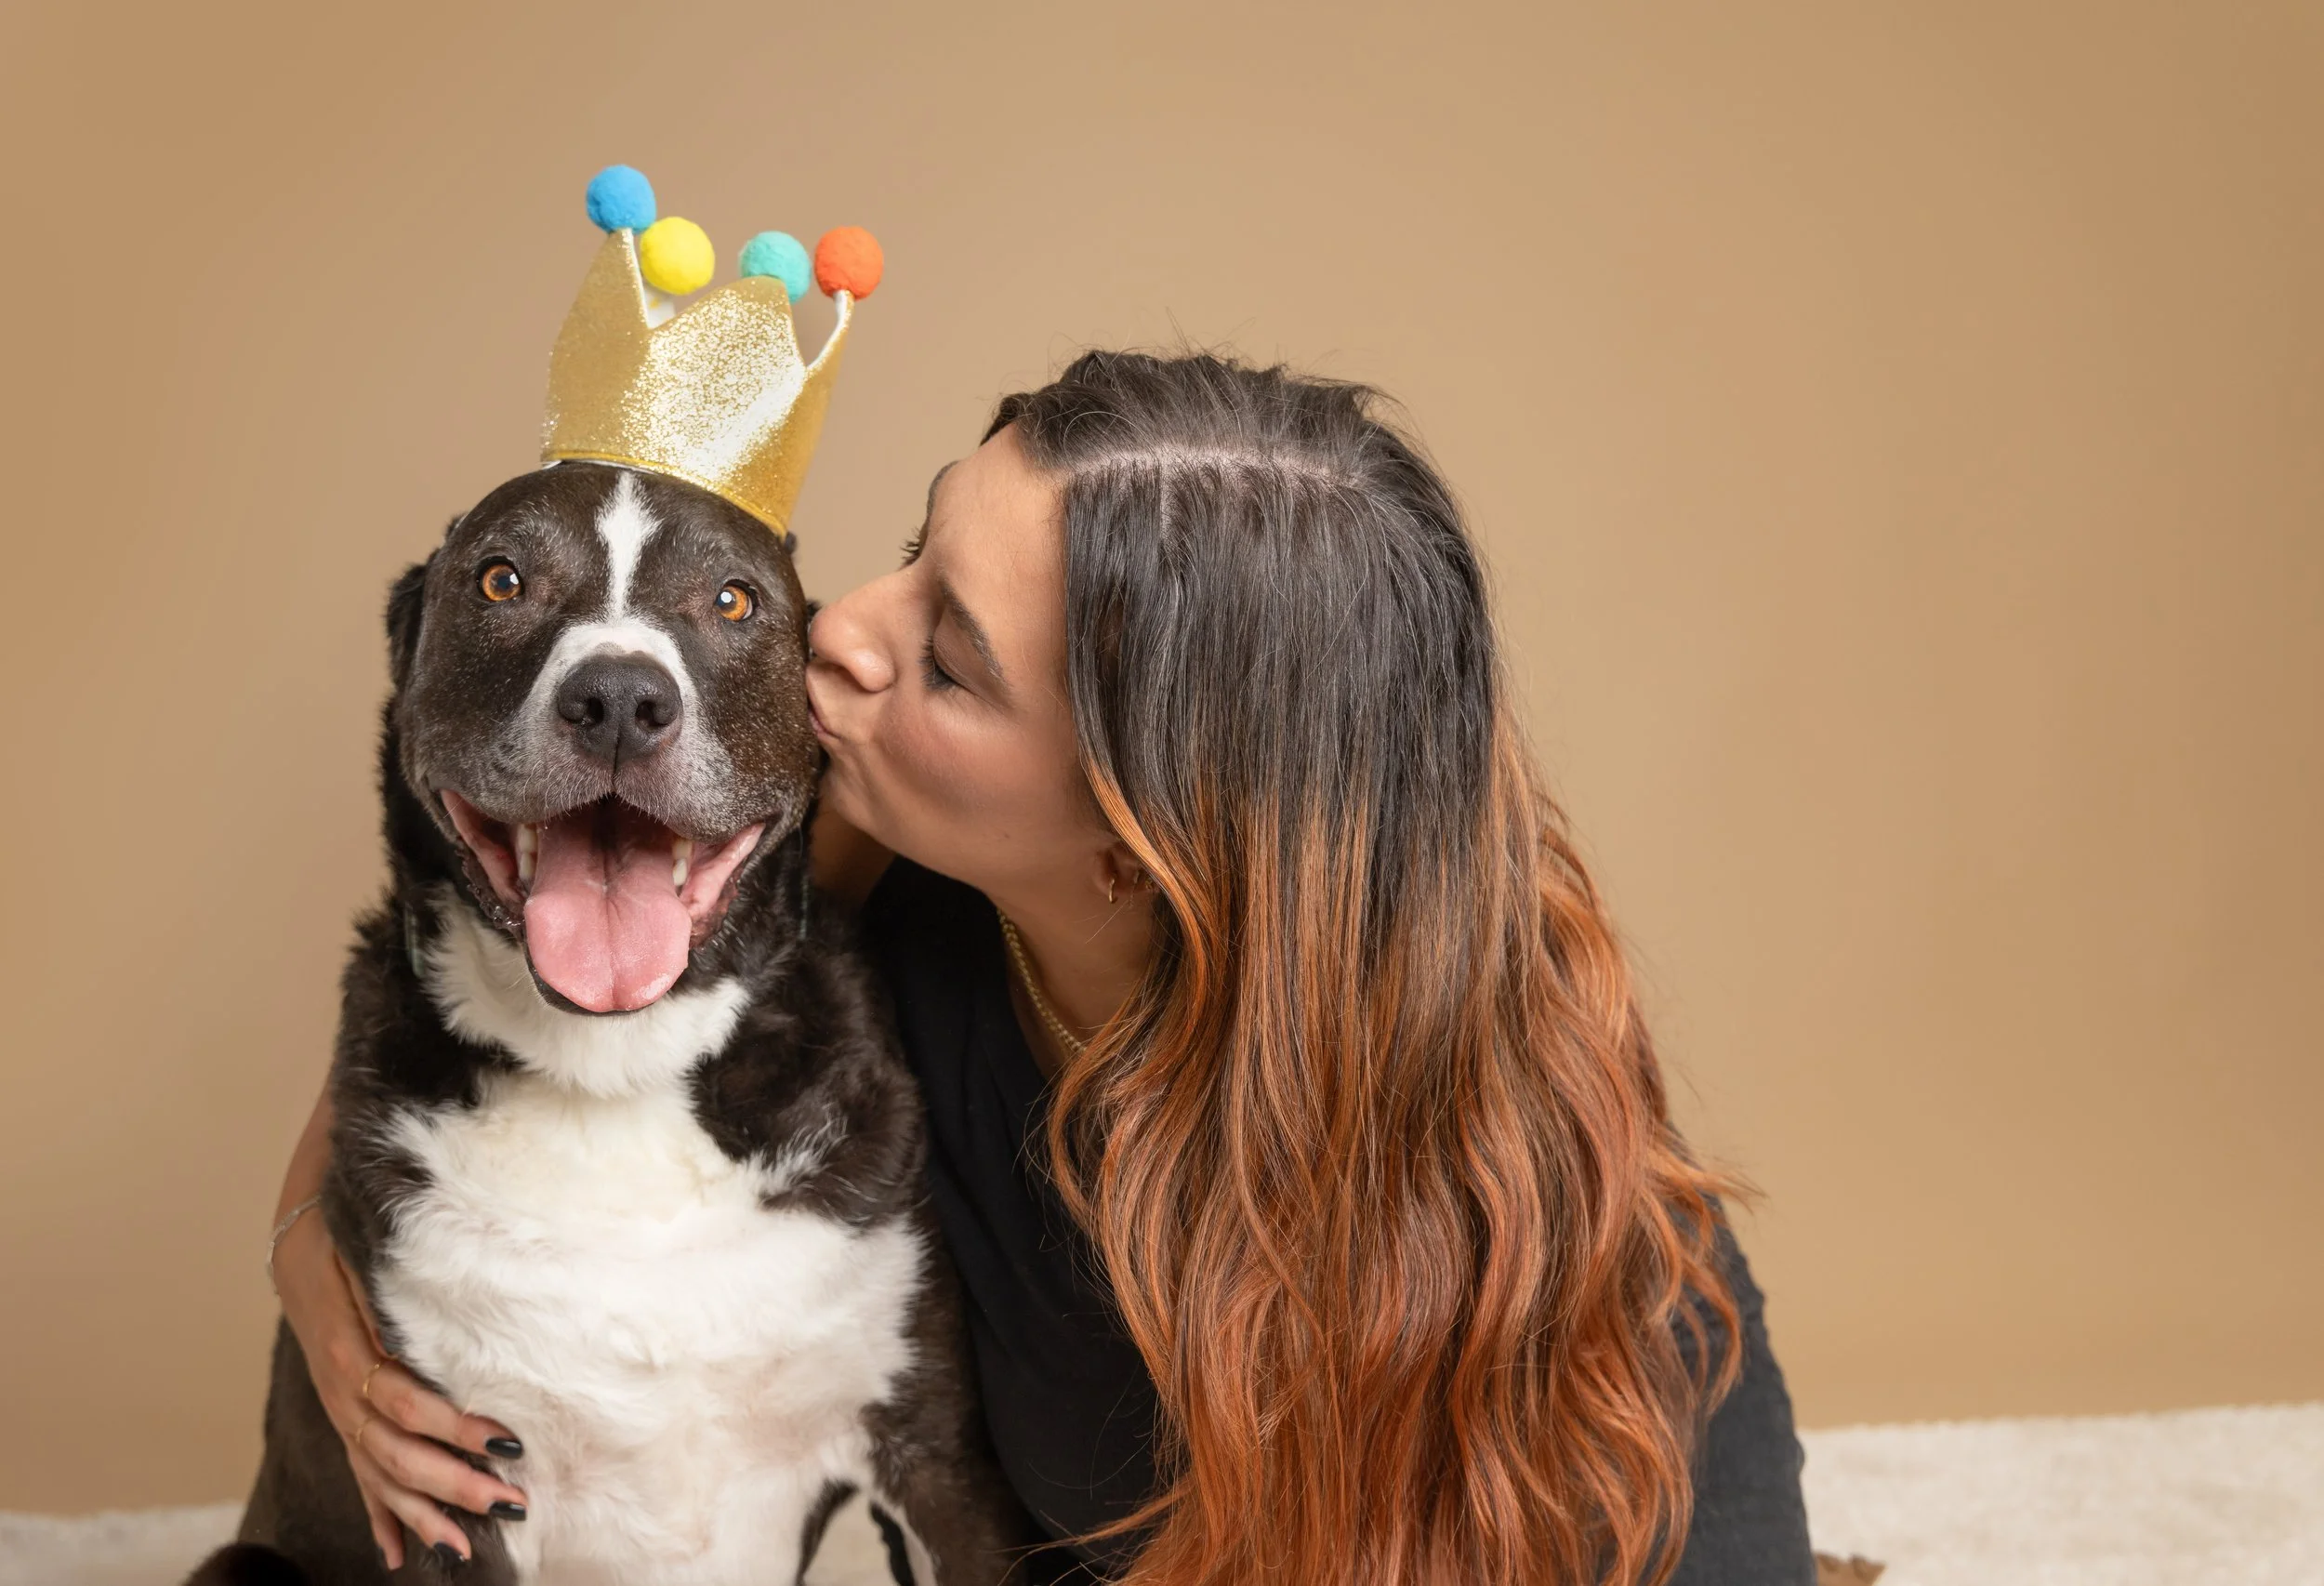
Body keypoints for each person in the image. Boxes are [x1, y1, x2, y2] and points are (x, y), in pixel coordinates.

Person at [270, 350, 1816, 1584]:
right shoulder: (848, 867)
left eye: (946, 660)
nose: (839, 632)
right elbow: (501, 1026)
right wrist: (314, 1258)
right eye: (907, 553)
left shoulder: (1549, 1235)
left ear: (1139, 853)